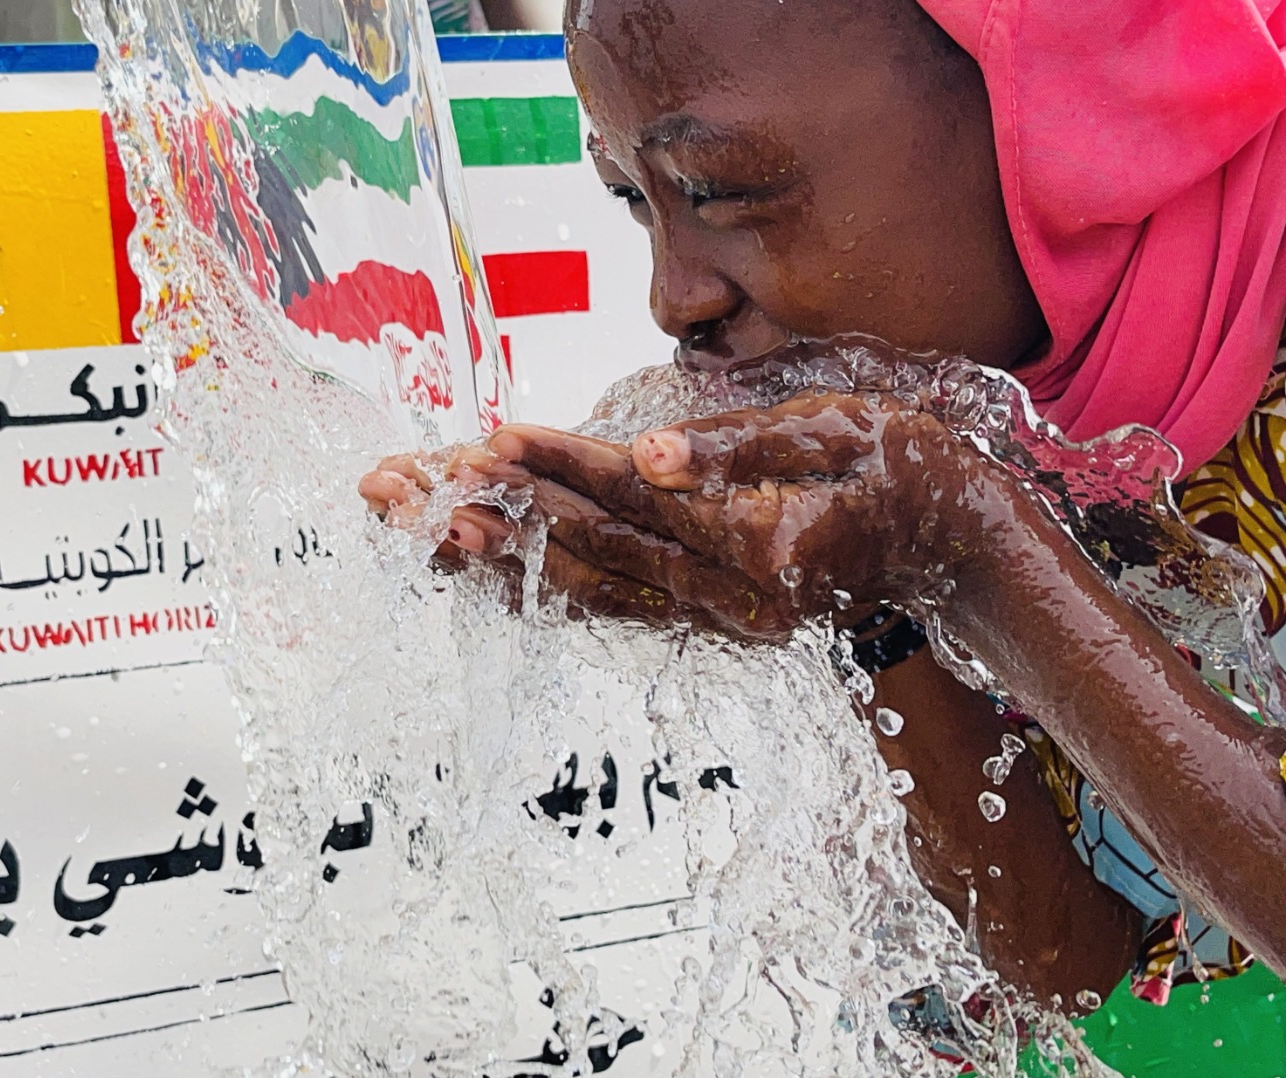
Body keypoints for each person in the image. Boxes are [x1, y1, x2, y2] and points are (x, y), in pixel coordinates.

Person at [362, 0, 1286, 1007]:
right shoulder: (982, 409)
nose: (673, 302)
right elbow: (1065, 958)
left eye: (720, 189)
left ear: (1067, 120)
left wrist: (972, 541)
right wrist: (864, 594)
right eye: (633, 197)